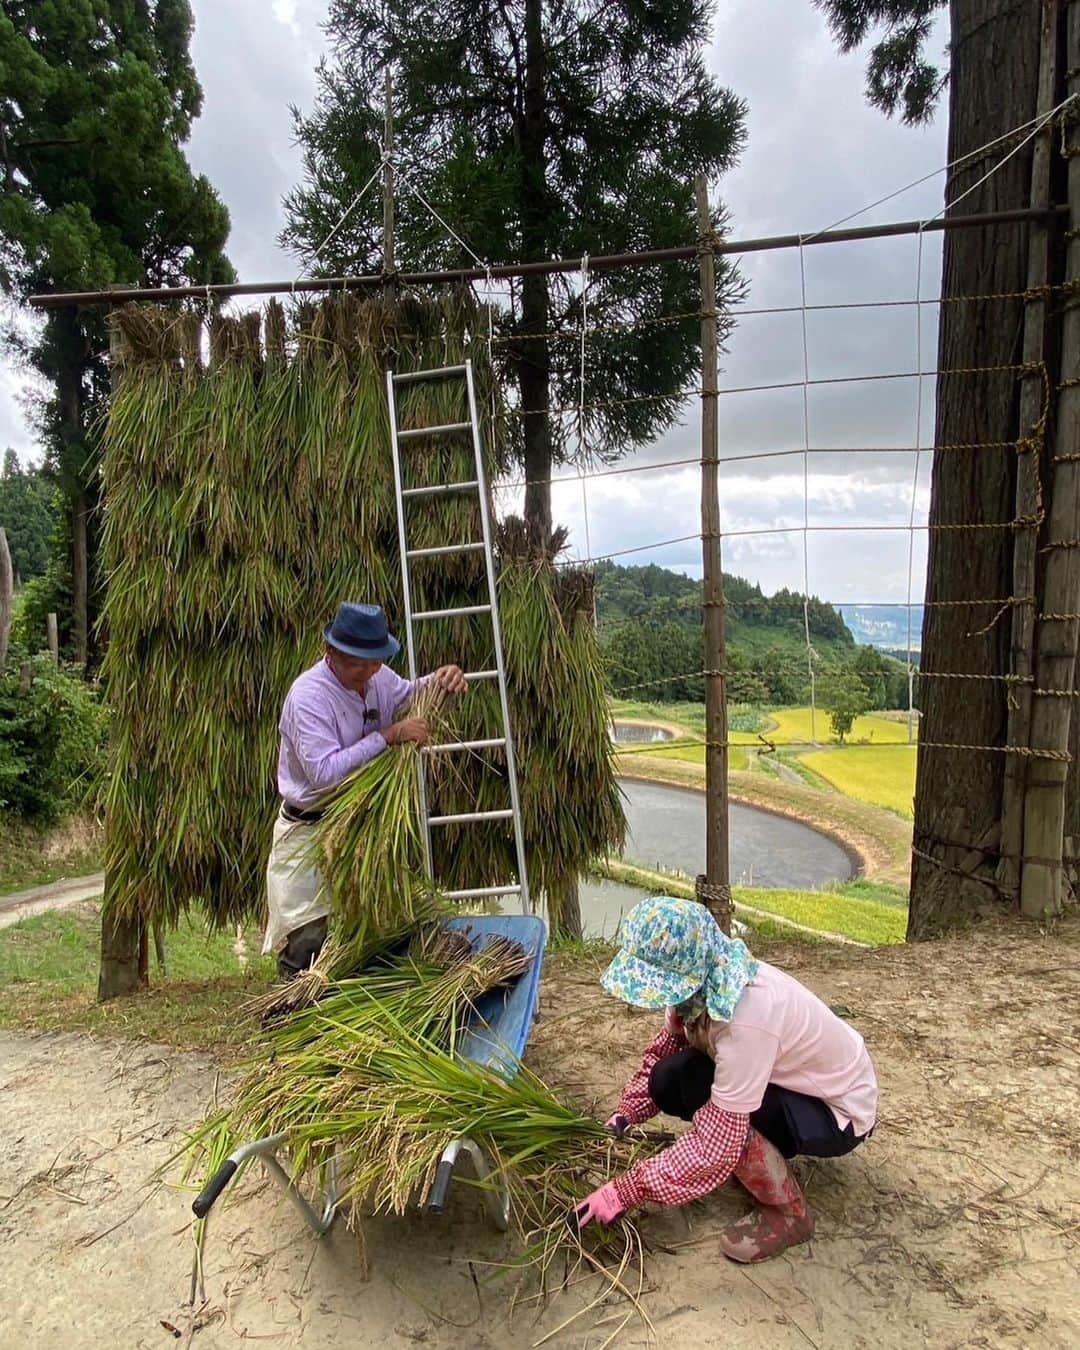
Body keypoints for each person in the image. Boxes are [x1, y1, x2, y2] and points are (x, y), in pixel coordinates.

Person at [572, 896, 877, 1263]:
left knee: (711, 1106)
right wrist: (627, 1112)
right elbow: (665, 1050)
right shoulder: (700, 981)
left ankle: (789, 1214)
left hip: (835, 1114)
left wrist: (624, 1191)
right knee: (671, 1078)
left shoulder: (744, 1018)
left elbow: (717, 1145)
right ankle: (761, 1157)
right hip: (791, 1085)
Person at [262, 601, 466, 978]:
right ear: (331, 653)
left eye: (375, 661)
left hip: (361, 823)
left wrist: (440, 680)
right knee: (308, 934)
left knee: (372, 922)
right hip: (310, 827)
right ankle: (298, 1017)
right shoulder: (308, 697)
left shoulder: (379, 677)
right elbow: (324, 773)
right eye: (358, 662)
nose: (369, 671)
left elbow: (407, 693)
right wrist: (388, 737)